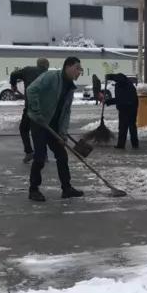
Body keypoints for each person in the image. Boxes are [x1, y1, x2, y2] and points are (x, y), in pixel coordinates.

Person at [26, 56, 84, 201]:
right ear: (67, 67)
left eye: (80, 69)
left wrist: (63, 132)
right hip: (39, 122)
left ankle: (67, 188)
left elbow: (66, 112)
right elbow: (31, 90)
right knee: (40, 157)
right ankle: (33, 190)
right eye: (77, 68)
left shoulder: (70, 88)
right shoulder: (51, 77)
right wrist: (36, 110)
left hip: (54, 126)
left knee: (62, 156)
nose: (79, 72)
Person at [10, 57, 50, 163]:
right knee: (41, 131)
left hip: (30, 108)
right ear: (47, 66)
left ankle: (29, 152)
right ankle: (43, 154)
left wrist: (13, 85)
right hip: (43, 109)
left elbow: (13, 74)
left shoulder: (28, 70)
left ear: (37, 64)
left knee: (24, 129)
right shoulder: (48, 75)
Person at [104, 73, 139, 150]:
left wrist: (107, 101)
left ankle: (121, 144)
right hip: (133, 107)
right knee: (132, 126)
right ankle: (135, 144)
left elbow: (119, 99)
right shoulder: (128, 83)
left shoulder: (120, 85)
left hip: (125, 108)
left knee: (123, 127)